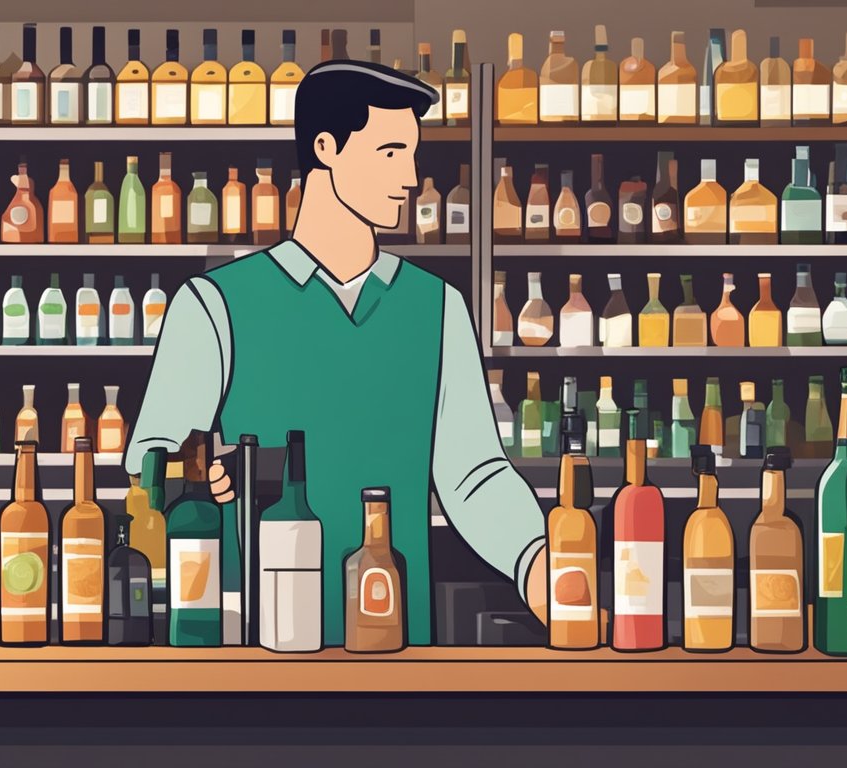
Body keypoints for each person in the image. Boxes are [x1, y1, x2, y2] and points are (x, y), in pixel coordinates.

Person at [124, 60, 546, 647]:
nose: (411, 176)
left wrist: (539, 562)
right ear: (326, 147)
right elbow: (148, 463)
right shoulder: (213, 305)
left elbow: (474, 476)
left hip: (397, 651)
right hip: (254, 651)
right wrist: (197, 470)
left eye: (413, 154)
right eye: (391, 153)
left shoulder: (438, 308)